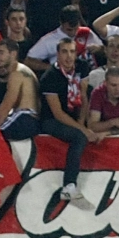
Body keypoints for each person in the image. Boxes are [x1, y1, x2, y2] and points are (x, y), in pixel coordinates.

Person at [40, 38, 102, 201]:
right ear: (57, 54)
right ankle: (69, 186)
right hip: (51, 120)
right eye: (65, 52)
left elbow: (83, 96)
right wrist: (82, 130)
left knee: (90, 130)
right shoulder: (50, 77)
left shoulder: (82, 66)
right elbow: (58, 113)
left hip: (74, 115)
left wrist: (82, 123)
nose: (69, 56)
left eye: (72, 51)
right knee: (79, 137)